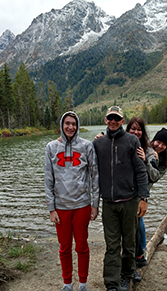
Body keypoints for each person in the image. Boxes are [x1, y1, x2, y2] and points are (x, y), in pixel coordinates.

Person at [93, 106, 149, 291]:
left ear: (122, 121)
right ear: (105, 119)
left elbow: (141, 171)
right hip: (109, 203)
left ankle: (126, 275)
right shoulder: (98, 144)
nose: (113, 121)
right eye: (110, 117)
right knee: (112, 245)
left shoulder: (132, 141)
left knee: (129, 242)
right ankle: (111, 283)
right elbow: (90, 171)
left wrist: (143, 198)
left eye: (117, 118)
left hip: (130, 201)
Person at [45, 111, 100, 291]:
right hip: (60, 207)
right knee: (64, 247)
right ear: (62, 125)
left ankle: (82, 283)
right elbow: (48, 179)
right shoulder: (51, 147)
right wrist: (51, 208)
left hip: (82, 205)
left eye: (74, 124)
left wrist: (95, 204)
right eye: (67, 123)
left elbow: (94, 176)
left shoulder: (87, 146)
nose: (70, 127)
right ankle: (67, 284)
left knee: (82, 246)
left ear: (77, 126)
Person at [134, 126, 167, 268]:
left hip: (143, 192)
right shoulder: (143, 147)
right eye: (158, 142)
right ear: (153, 140)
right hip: (131, 189)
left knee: (139, 220)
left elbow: (154, 178)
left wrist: (150, 162)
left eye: (163, 144)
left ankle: (142, 251)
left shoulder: (163, 162)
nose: (159, 146)